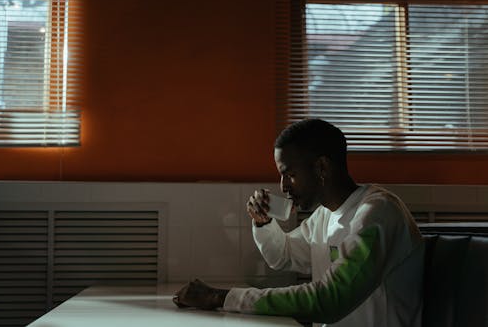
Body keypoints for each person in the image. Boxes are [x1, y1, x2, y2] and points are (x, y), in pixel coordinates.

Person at [173, 119, 424, 327]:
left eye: (290, 175)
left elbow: (329, 301)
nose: (283, 187)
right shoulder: (325, 216)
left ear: (321, 167)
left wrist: (220, 297)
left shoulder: (378, 213)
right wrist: (264, 223)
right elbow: (282, 256)